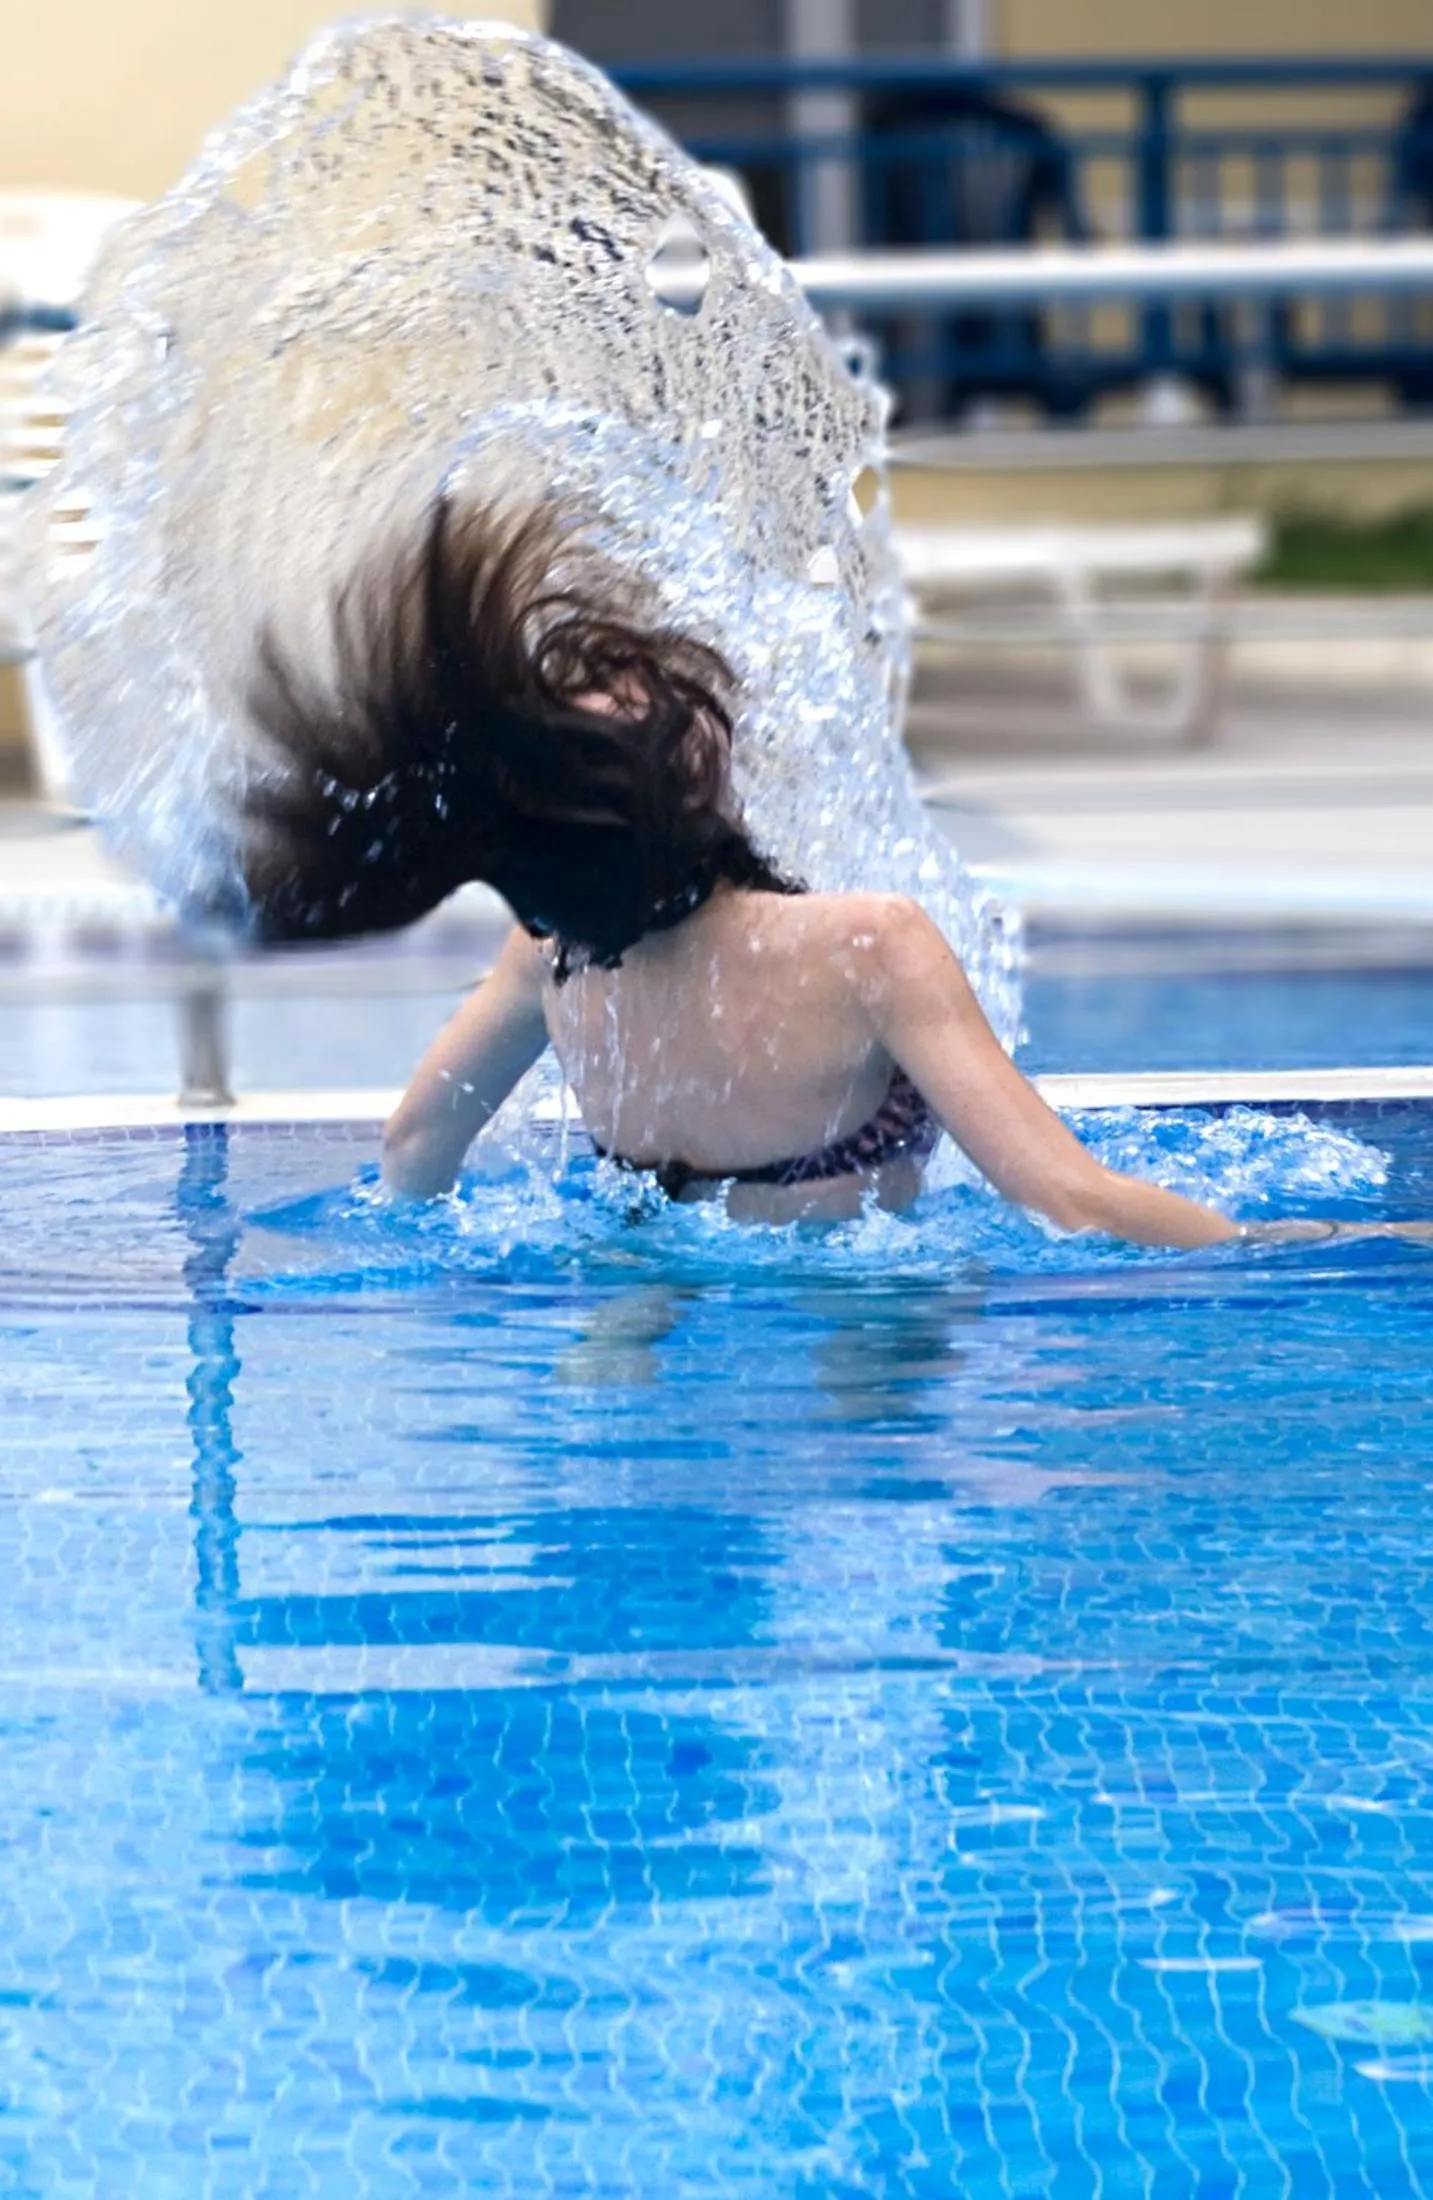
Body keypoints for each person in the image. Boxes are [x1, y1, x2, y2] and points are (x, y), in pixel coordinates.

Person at [240, 494, 1426, 1251]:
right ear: (685, 782)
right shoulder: (868, 948)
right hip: (860, 1312)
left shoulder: (550, 953)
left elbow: (409, 1158)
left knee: (624, 1348)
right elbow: (1065, 1200)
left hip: (637, 1292)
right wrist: (1324, 1243)